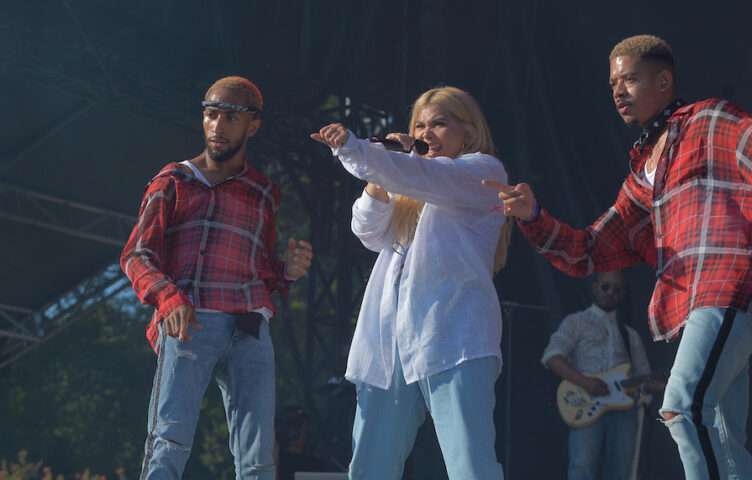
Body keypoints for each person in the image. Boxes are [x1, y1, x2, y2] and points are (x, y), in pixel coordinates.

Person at [486, 35, 752, 480]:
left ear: (663, 81)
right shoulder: (642, 180)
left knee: (682, 406)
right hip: (696, 304)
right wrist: (532, 215)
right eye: (612, 85)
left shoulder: (708, 121)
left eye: (629, 79)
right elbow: (589, 251)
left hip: (729, 286)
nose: (618, 92)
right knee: (720, 432)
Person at [310, 86, 510, 480]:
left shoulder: (483, 170)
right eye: (420, 124)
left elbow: (426, 177)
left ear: (467, 131)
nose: (427, 132)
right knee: (369, 468)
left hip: (455, 337)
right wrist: (380, 174)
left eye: (439, 123)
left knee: (471, 466)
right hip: (389, 342)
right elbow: (366, 231)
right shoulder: (411, 184)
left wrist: (359, 150)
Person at [121, 76, 314, 479]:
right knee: (167, 443)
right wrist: (168, 298)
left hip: (250, 328)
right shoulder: (174, 181)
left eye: (229, 117)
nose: (217, 126)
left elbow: (260, 269)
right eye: (210, 115)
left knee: (259, 456)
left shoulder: (263, 192)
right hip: (191, 322)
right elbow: (137, 255)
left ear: (253, 125)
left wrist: (288, 271)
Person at [543, 270, 655, 480]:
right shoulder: (576, 322)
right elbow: (552, 357)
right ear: (594, 287)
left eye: (617, 289)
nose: (611, 293)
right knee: (582, 468)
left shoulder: (630, 335)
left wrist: (668, 384)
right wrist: (586, 383)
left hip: (624, 409)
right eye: (606, 286)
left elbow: (644, 377)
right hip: (586, 403)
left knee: (622, 472)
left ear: (622, 295)